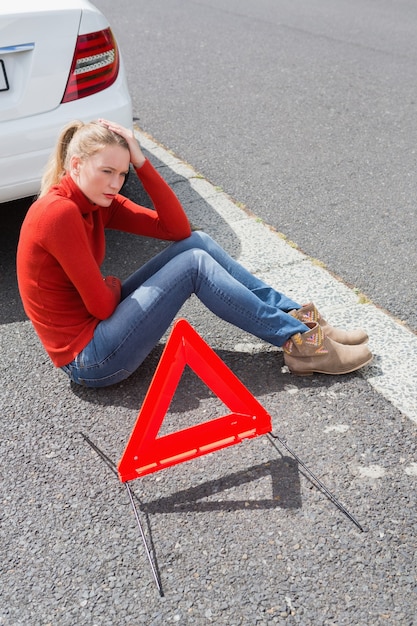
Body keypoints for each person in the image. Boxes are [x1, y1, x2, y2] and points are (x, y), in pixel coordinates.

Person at [16, 120, 372, 388]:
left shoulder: (96, 203)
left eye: (123, 174)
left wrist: (143, 162)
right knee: (193, 265)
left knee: (196, 244)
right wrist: (109, 286)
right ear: (75, 165)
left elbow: (177, 230)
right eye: (106, 171)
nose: (115, 183)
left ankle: (301, 319)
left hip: (103, 330)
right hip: (91, 359)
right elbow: (103, 306)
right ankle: (300, 344)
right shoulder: (57, 212)